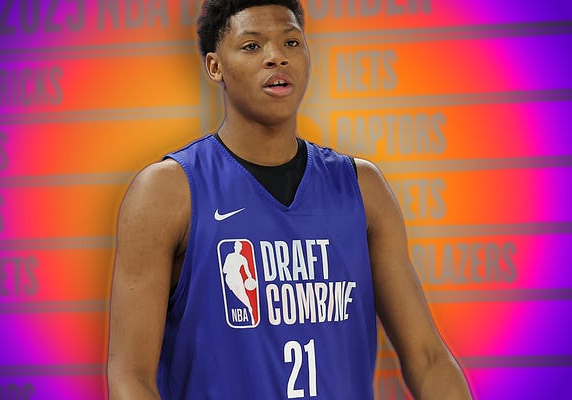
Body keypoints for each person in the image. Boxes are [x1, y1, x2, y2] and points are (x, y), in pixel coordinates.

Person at [107, 1, 473, 399]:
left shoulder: (362, 187)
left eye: (291, 42)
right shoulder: (168, 191)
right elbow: (130, 377)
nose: (276, 57)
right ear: (215, 66)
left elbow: (428, 359)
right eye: (252, 46)